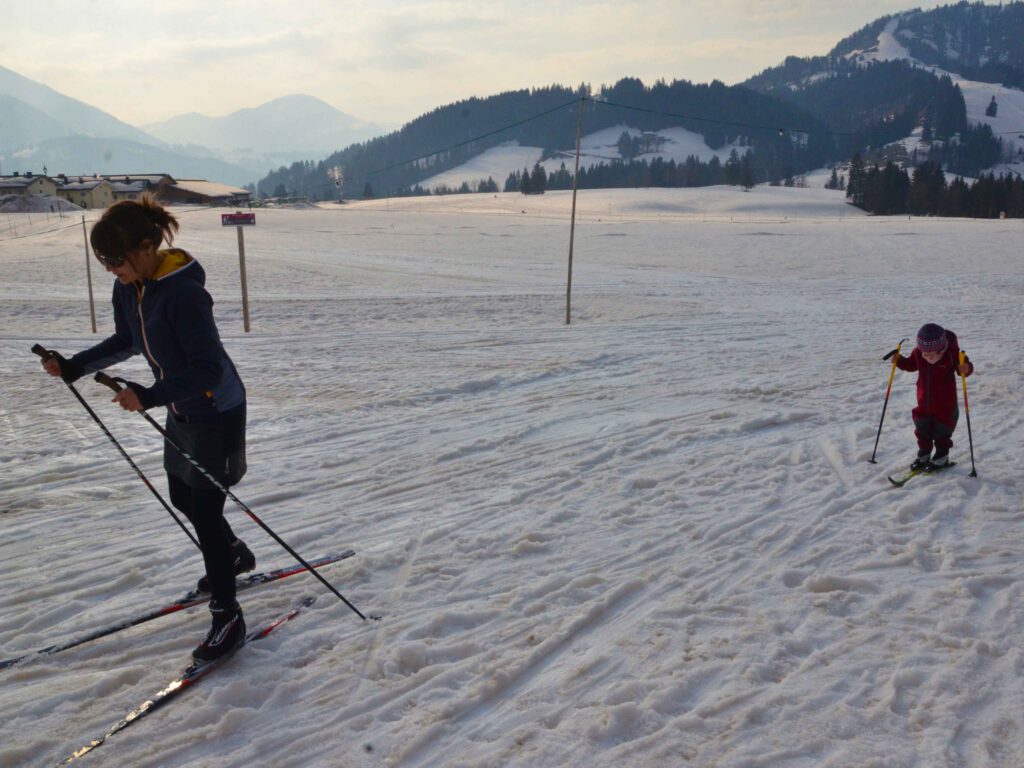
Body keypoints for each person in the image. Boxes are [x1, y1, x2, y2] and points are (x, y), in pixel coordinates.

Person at [41, 196, 255, 663]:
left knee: (203, 510)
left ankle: (228, 616)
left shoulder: (183, 294)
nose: (110, 269)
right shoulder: (132, 286)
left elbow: (207, 369)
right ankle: (234, 555)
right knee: (182, 495)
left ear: (146, 247)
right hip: (179, 407)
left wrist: (150, 395)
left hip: (215, 410)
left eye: (116, 259)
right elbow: (126, 340)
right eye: (104, 261)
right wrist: (74, 365)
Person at [894, 322, 973, 470]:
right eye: (925, 354)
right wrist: (899, 360)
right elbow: (911, 365)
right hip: (924, 400)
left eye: (932, 354)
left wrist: (966, 368)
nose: (928, 357)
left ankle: (942, 456)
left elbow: (964, 367)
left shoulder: (951, 355)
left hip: (946, 403)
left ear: (942, 348)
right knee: (922, 428)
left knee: (942, 430)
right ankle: (924, 454)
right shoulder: (919, 353)